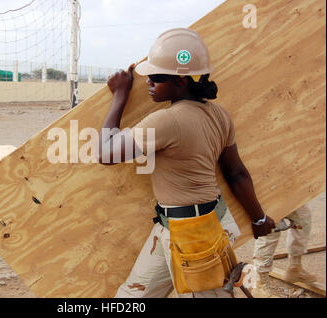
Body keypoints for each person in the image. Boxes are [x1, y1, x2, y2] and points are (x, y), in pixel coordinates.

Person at [97, 28, 275, 298]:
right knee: (131, 298)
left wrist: (120, 95)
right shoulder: (219, 115)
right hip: (177, 227)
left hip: (198, 237)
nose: (148, 83)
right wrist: (258, 218)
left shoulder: (166, 121)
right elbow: (236, 173)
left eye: (156, 78)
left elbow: (106, 153)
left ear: (181, 81)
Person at [252, 204, 316, 298]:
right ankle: (260, 284)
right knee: (269, 231)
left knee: (302, 217)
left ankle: (295, 268)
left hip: (289, 193)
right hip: (269, 196)